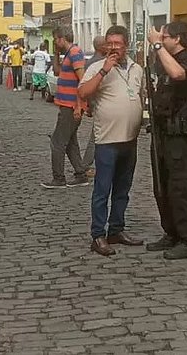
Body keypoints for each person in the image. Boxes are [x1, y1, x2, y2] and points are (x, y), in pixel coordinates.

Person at [78, 26, 146, 256]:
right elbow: (83, 93)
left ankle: (116, 229)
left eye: (118, 43)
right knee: (102, 189)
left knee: (122, 189)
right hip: (107, 139)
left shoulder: (137, 69)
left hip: (130, 139)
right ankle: (98, 234)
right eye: (110, 43)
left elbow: (139, 96)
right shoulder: (97, 67)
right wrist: (103, 72)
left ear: (126, 44)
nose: (114, 47)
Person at [145, 22, 187, 260]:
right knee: (161, 187)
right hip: (162, 133)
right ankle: (171, 233)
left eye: (165, 37)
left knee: (179, 188)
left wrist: (156, 44)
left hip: (179, 136)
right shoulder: (164, 59)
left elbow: (178, 74)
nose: (161, 40)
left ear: (177, 39)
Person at [41, 26, 89, 189]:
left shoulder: (75, 53)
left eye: (55, 39)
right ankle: (80, 174)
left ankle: (59, 178)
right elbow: (56, 71)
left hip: (71, 106)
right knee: (70, 142)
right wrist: (55, 54)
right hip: (66, 105)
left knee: (57, 141)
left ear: (62, 39)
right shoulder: (68, 54)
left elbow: (82, 81)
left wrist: (78, 106)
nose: (54, 42)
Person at [81, 36, 108, 175]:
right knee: (97, 136)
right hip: (99, 103)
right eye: (106, 45)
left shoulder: (89, 62)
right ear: (101, 47)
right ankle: (85, 165)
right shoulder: (98, 63)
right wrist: (91, 106)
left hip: (95, 103)